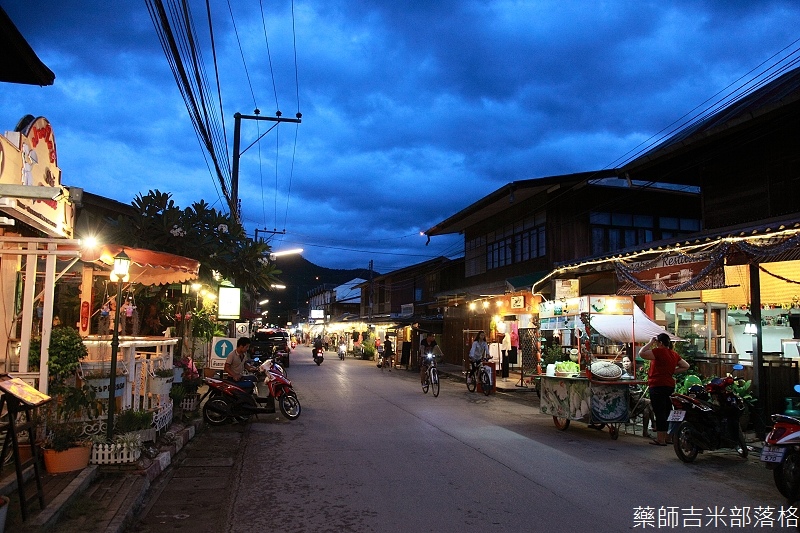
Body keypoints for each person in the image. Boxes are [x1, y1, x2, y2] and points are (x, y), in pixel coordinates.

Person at [639, 333, 690, 446]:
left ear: (660, 343)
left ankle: (660, 439)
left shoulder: (659, 352)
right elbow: (686, 366)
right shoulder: (674, 354)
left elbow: (642, 353)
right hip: (669, 385)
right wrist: (671, 372)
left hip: (657, 384)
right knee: (667, 410)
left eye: (657, 342)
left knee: (659, 411)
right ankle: (669, 437)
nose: (655, 344)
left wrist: (649, 343)